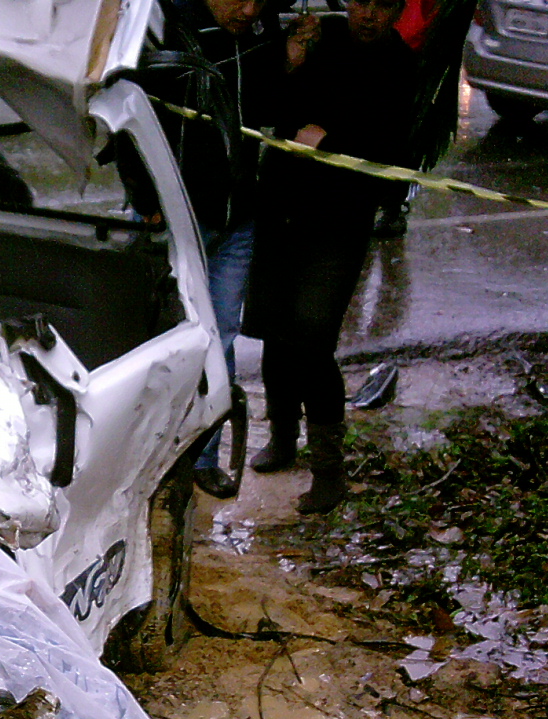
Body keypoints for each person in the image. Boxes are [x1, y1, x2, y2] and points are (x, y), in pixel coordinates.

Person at [245, 0, 417, 514]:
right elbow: (266, 110)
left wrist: (333, 143)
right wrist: (289, 61)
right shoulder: (319, 36)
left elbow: (399, 156)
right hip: (282, 207)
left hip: (339, 222)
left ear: (398, 9)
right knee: (275, 330)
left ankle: (328, 469)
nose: (370, 14)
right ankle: (282, 435)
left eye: (383, 5)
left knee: (311, 338)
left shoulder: (401, 64)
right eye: (361, 1)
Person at [127, 0, 290, 499]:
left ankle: (203, 458)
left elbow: (267, 113)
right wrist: (145, 199)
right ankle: (142, 465)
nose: (248, 9)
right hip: (173, 217)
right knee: (155, 344)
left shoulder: (259, 35)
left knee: (219, 341)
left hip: (235, 220)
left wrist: (288, 59)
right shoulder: (164, 29)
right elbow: (126, 113)